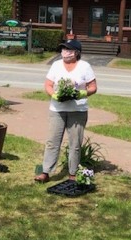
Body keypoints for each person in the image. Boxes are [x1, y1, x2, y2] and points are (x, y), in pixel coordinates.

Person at [34, 39, 97, 183]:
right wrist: (54, 94)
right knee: (52, 141)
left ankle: (73, 174)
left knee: (75, 143)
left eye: (69, 50)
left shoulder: (84, 66)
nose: (65, 52)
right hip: (57, 109)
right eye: (63, 49)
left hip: (78, 110)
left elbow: (93, 87)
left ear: (76, 53)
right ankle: (46, 172)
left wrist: (82, 93)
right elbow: (48, 85)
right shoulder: (56, 65)